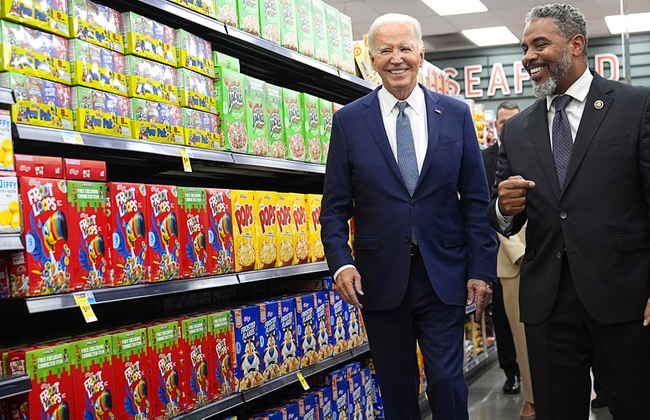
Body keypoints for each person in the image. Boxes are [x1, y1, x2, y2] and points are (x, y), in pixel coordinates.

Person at [320, 13, 497, 419]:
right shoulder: (349, 121)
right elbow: (333, 208)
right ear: (371, 57)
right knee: (396, 386)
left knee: (447, 381)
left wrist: (481, 269)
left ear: (421, 52)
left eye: (404, 48)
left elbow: (475, 200)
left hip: (444, 274)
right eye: (385, 49)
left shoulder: (454, 114)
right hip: (379, 278)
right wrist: (340, 263)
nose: (395, 58)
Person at [487, 3, 650, 419]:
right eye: (524, 48)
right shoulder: (517, 129)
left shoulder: (635, 106)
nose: (528, 57)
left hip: (625, 297)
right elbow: (507, 217)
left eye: (540, 44)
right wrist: (504, 209)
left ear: (576, 44)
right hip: (548, 303)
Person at [483, 100, 535, 420]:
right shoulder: (484, 158)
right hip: (509, 257)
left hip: (544, 252)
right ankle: (523, 386)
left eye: (512, 121)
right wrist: (517, 250)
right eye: (501, 122)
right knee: (511, 329)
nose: (506, 127)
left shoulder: (533, 147)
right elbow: (492, 207)